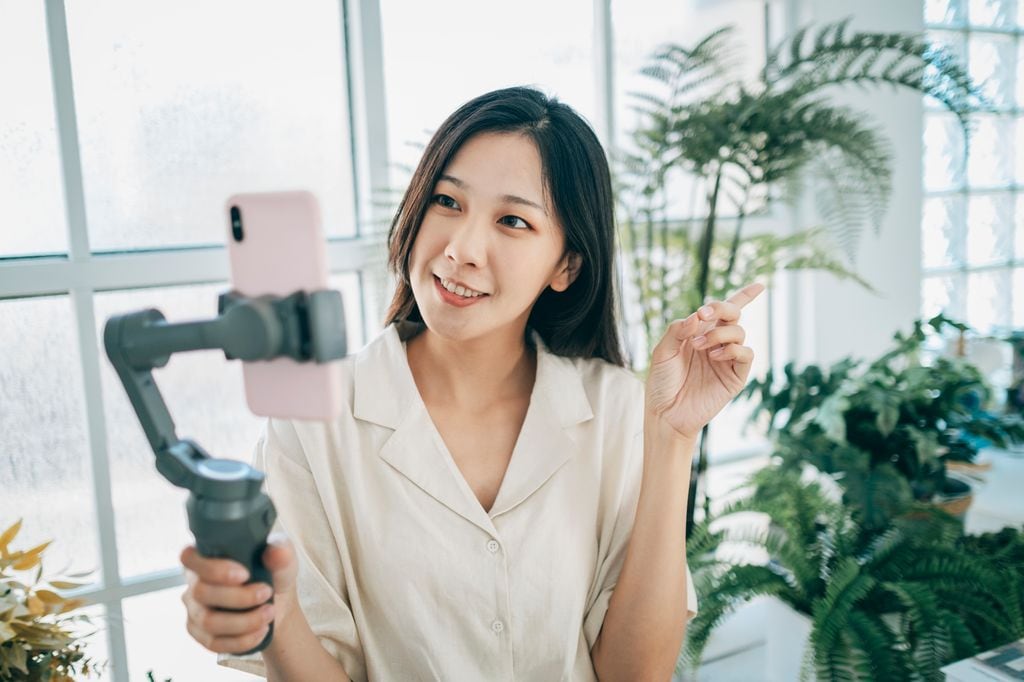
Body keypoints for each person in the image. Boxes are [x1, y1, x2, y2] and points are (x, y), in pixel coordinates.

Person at [179, 86, 764, 681]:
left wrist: (672, 438)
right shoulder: (315, 420)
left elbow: (633, 675)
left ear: (567, 266)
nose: (462, 250)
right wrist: (270, 613)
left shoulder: (616, 411)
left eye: (513, 221)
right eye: (447, 202)